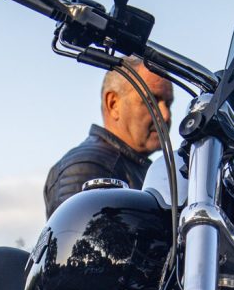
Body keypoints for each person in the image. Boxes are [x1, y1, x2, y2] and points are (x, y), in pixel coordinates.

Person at [43, 57, 174, 217]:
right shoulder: (89, 166)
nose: (166, 115)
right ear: (113, 104)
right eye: (151, 102)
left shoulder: (139, 168)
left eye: (168, 104)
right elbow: (78, 239)